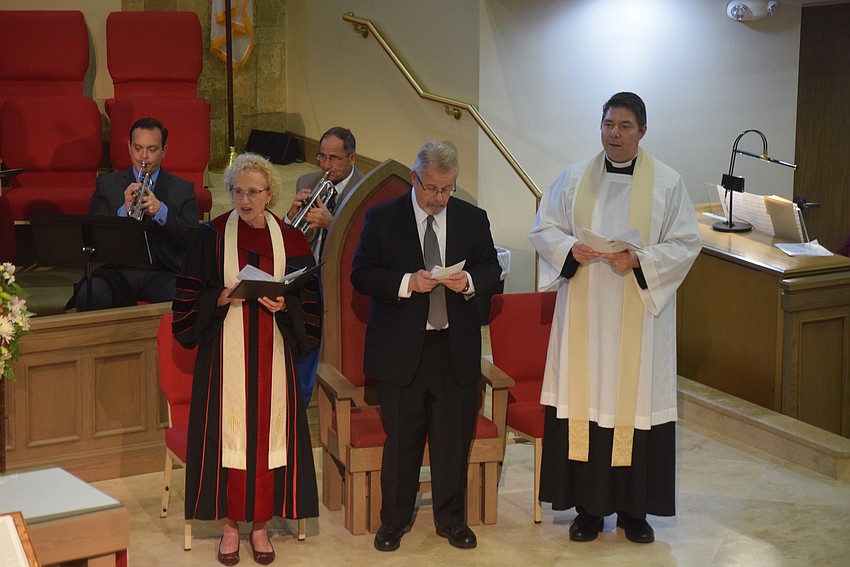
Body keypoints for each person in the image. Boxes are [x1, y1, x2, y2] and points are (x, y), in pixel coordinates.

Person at [528, 92, 701, 545]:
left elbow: (685, 244)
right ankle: (588, 512)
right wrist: (571, 249)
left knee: (633, 406)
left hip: (639, 325)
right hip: (586, 315)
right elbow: (543, 228)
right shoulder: (572, 179)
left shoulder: (667, 183)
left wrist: (639, 261)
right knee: (586, 407)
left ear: (643, 131)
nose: (614, 134)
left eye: (625, 126)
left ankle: (634, 512)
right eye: (608, 124)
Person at [351, 141, 501, 552]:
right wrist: (407, 283)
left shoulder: (472, 218)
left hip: (454, 348)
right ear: (415, 178)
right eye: (432, 188)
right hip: (401, 351)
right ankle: (393, 523)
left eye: (447, 189)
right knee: (402, 442)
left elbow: (491, 269)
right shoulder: (383, 218)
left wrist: (468, 282)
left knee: (453, 440)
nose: (439, 198)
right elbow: (361, 275)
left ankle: (451, 520)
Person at [172, 153, 320, 566]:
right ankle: (230, 528)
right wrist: (218, 297)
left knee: (266, 439)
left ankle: (260, 527)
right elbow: (185, 299)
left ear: (270, 193)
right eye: (237, 191)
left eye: (254, 192)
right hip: (224, 360)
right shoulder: (212, 237)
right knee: (228, 437)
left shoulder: (292, 240)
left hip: (274, 355)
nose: (245, 199)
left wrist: (284, 305)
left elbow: (309, 303)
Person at [71, 117, 199, 310]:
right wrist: (123, 213)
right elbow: (94, 239)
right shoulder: (107, 186)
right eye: (138, 148)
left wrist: (162, 211)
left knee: (190, 296)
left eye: (152, 149)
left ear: (164, 151)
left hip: (163, 272)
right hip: (116, 272)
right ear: (129, 147)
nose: (143, 156)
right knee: (90, 294)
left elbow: (192, 242)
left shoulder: (183, 190)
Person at [285, 127, 363, 406]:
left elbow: (367, 241)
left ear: (352, 158)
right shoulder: (307, 180)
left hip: (344, 277)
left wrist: (333, 223)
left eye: (334, 158)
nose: (326, 166)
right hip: (310, 271)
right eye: (321, 157)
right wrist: (292, 217)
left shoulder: (365, 190)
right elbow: (296, 237)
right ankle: (297, 393)